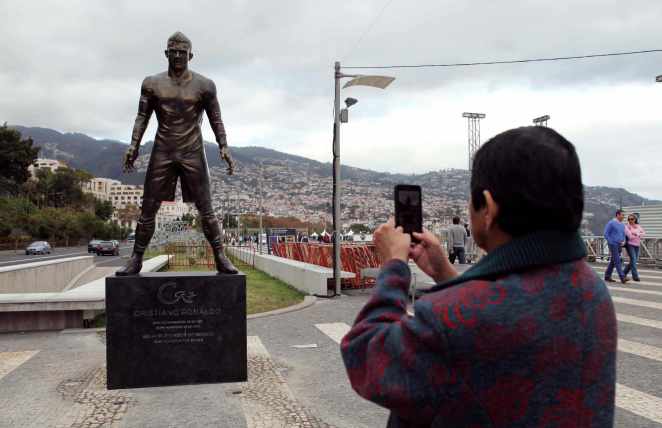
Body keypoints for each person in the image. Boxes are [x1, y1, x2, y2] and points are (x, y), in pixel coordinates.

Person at [341, 126, 616, 427]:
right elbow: (491, 339)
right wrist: (447, 275)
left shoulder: (455, 319)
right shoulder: (593, 292)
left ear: (488, 207)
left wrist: (393, 265)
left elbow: (367, 357)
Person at [117, 32, 237, 275]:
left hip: (192, 150)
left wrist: (223, 145)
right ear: (166, 54)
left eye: (183, 52)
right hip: (163, 149)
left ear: (190, 55)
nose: (179, 56)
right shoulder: (152, 83)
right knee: (148, 208)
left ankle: (221, 257)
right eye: (174, 51)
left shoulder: (205, 85)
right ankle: (136, 258)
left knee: (206, 208)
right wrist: (133, 145)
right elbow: (142, 117)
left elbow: (216, 119)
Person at [603, 210, 627, 284]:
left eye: (624, 215)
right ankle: (622, 277)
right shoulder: (611, 223)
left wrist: (624, 241)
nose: (624, 216)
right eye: (622, 215)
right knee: (617, 260)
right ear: (617, 215)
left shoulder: (623, 225)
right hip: (613, 244)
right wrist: (611, 242)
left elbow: (623, 234)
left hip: (620, 244)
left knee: (613, 261)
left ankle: (607, 276)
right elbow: (606, 234)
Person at [624, 214, 645, 282]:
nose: (630, 220)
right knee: (633, 260)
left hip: (637, 245)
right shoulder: (627, 227)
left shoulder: (638, 226)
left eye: (632, 219)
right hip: (630, 245)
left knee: (634, 261)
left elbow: (643, 233)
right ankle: (635, 276)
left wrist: (637, 234)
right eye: (629, 219)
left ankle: (623, 273)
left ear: (635, 219)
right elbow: (630, 236)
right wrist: (637, 234)